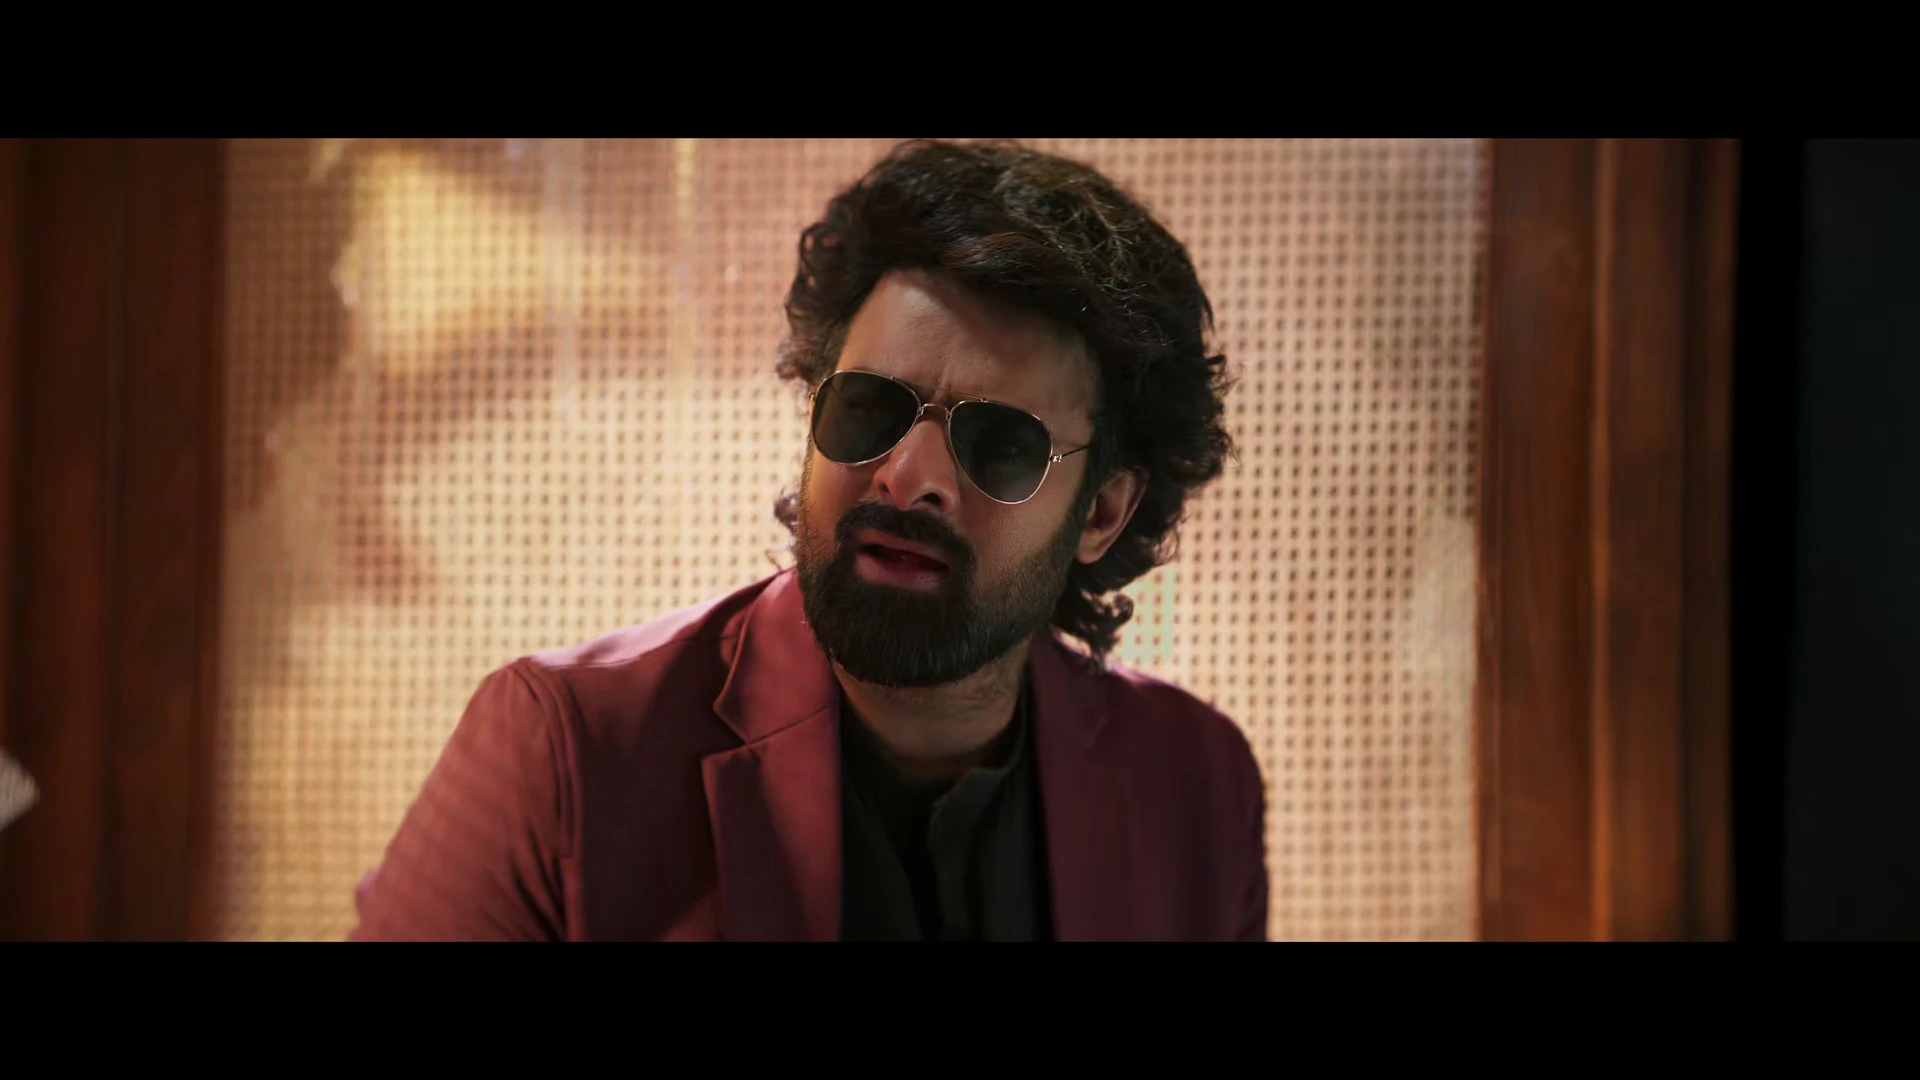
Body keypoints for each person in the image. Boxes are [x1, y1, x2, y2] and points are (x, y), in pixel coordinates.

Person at [349, 139, 1265, 941]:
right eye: (870, 407)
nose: (908, 476)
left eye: (1000, 443)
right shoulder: (563, 753)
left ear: (1101, 514)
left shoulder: (1196, 784)